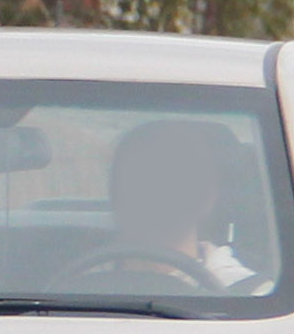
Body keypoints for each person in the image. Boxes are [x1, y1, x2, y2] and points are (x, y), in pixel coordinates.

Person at [105, 119, 257, 288]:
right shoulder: (79, 286)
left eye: (175, 178)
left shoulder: (251, 295)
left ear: (207, 196)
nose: (156, 190)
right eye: (139, 177)